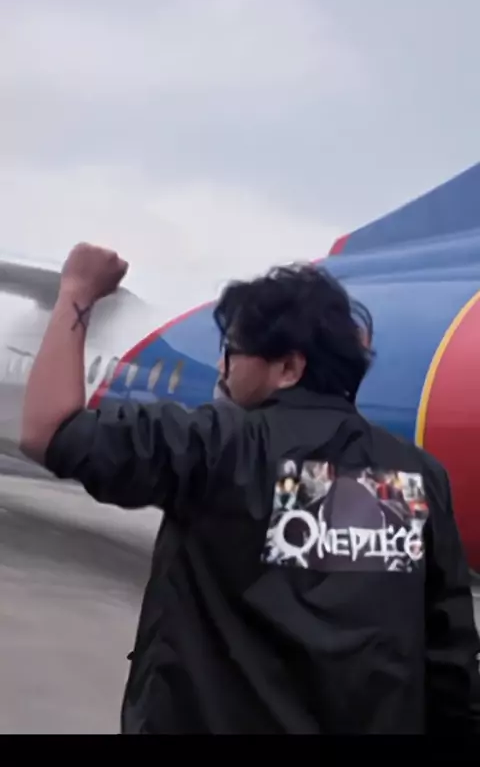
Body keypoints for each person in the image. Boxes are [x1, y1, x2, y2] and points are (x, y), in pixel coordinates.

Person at [21, 242, 480, 735]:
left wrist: (77, 291)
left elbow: (49, 430)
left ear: (288, 368)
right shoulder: (412, 478)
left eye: (234, 353)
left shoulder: (218, 447)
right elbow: (449, 659)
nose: (224, 369)